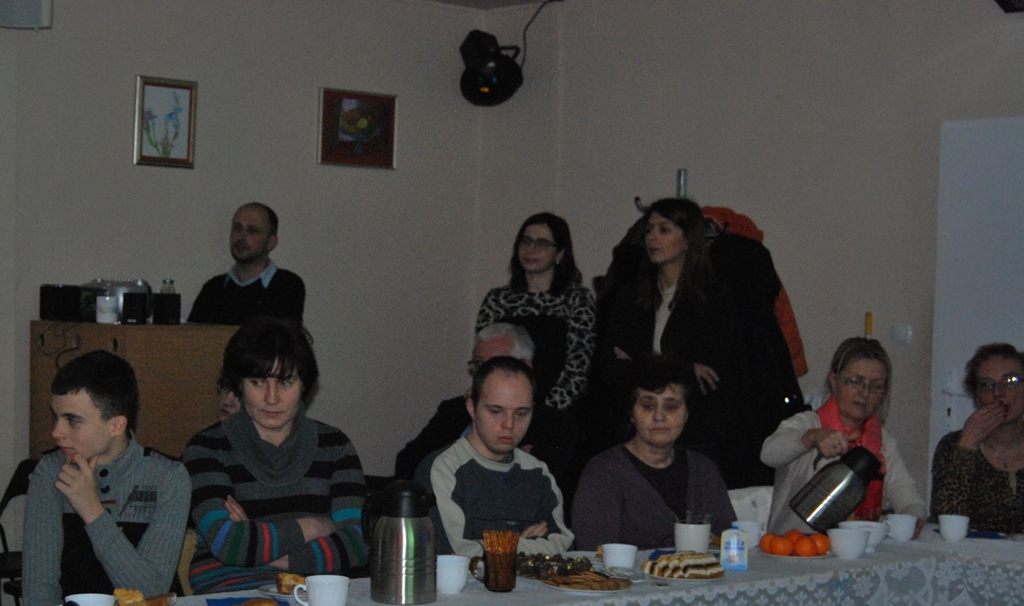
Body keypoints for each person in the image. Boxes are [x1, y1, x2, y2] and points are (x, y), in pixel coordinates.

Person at [182, 317, 368, 593]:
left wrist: (262, 544)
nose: (271, 398)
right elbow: (229, 543)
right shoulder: (206, 449)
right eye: (257, 382)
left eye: (285, 382)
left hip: (313, 594)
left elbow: (359, 543)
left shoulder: (335, 447)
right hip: (232, 593)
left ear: (304, 385)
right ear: (239, 385)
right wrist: (313, 526)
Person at [597, 198, 750, 486]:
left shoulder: (715, 298)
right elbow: (609, 365)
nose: (652, 237)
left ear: (688, 240)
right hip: (635, 427)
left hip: (695, 431)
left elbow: (712, 375)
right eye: (649, 230)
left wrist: (639, 362)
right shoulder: (631, 294)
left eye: (664, 230)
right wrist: (684, 367)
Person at [23, 351, 190, 606]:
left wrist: (91, 510)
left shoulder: (168, 478)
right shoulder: (50, 472)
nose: (56, 432)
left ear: (116, 426)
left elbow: (150, 594)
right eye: (55, 416)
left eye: (73, 420)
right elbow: (38, 592)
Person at [761, 337, 926, 535]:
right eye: (855, 382)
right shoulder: (808, 424)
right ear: (834, 381)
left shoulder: (883, 442)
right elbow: (768, 454)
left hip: (858, 548)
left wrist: (913, 518)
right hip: (794, 547)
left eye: (876, 386)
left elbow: (909, 499)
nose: (864, 393)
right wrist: (811, 438)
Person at [571, 355, 735, 550]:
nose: (659, 416)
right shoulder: (603, 474)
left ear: (686, 414)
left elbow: (730, 544)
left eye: (671, 406)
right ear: (631, 414)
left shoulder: (704, 470)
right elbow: (595, 554)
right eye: (648, 406)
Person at [418, 356, 574, 557]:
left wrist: (491, 547)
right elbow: (454, 555)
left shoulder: (537, 473)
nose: (509, 425)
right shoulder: (443, 469)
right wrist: (521, 545)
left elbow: (563, 548)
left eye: (521, 413)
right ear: (472, 408)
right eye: (495, 411)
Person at [476, 212, 595, 412]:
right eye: (526, 241)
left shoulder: (578, 299)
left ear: (560, 253)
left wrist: (544, 412)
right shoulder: (497, 299)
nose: (531, 249)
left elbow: (578, 367)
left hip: (557, 410)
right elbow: (482, 358)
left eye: (542, 243)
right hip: (502, 405)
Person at [393, 323, 534, 481]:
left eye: (496, 365)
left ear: (525, 367)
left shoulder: (548, 424)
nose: (483, 373)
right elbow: (407, 461)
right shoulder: (455, 409)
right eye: (479, 364)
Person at [931, 343, 1024, 533]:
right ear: (976, 396)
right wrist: (968, 444)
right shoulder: (953, 445)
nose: (999, 393)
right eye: (987, 385)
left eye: (1011, 380)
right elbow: (948, 519)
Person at [188, 202, 305, 325]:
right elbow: (192, 335)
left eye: (252, 230)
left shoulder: (287, 286)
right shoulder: (213, 289)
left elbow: (283, 335)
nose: (241, 237)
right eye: (237, 228)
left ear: (271, 242)